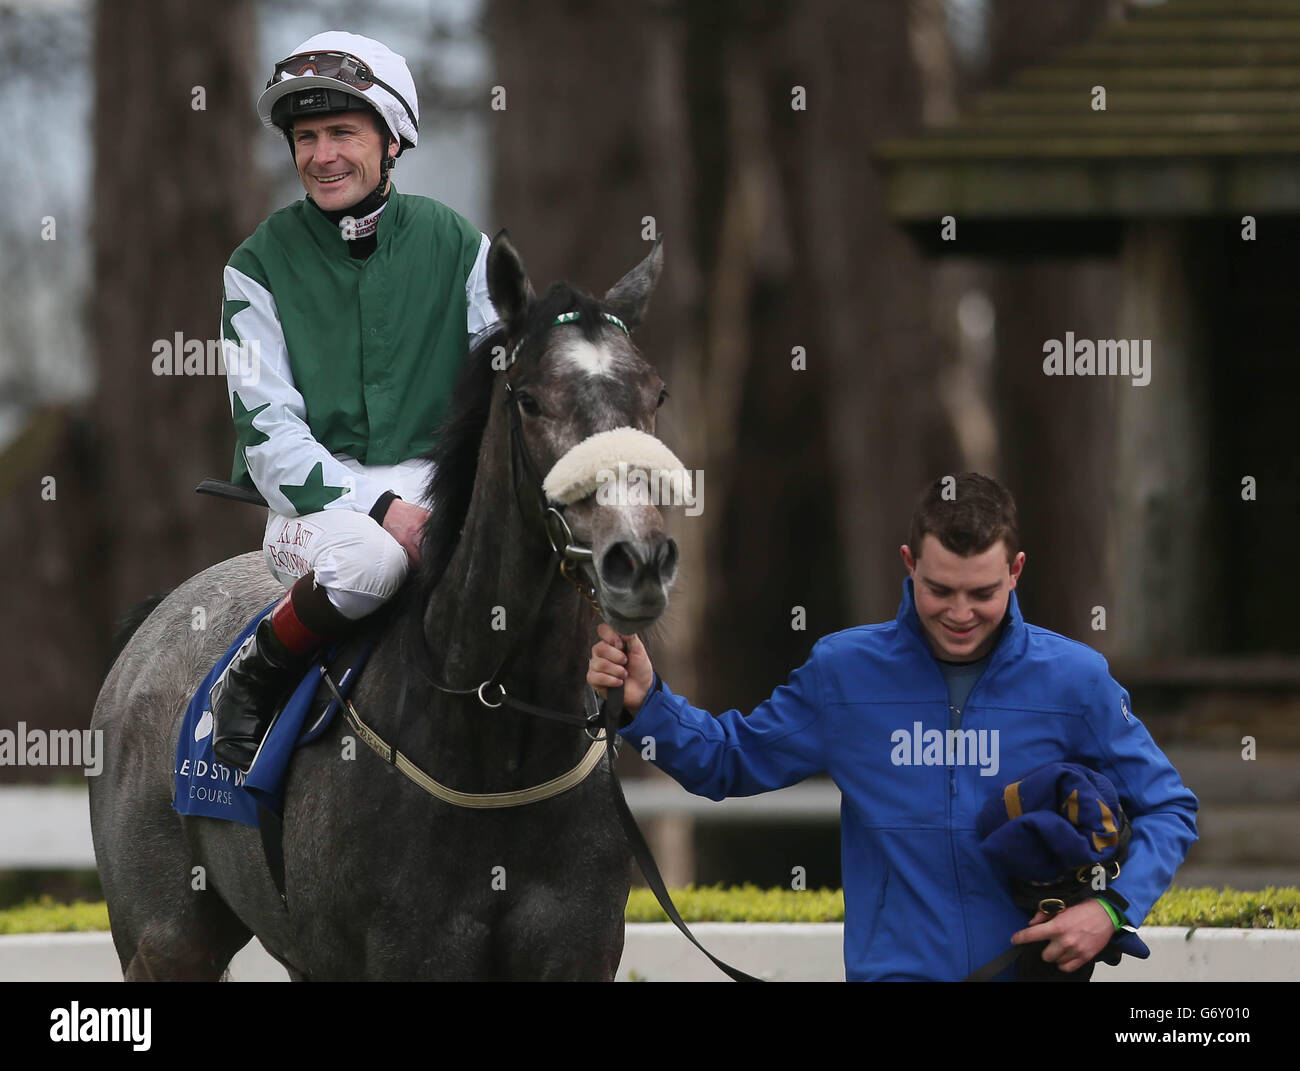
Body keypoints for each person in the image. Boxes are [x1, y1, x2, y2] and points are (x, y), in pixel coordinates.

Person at [587, 472, 1198, 981]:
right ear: (909, 565)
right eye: (940, 590)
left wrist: (1114, 910)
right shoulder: (843, 670)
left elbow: (1169, 807)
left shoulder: (1077, 679)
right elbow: (729, 761)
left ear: (1015, 570)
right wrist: (648, 704)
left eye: (982, 592)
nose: (960, 614)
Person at [210, 31, 498, 771]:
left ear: (393, 140)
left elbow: (503, 387)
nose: (322, 154)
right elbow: (269, 437)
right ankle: (250, 680)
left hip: (442, 495)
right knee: (373, 561)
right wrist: (379, 508)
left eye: (343, 131)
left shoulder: (461, 245)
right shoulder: (255, 266)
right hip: (318, 516)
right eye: (305, 137)